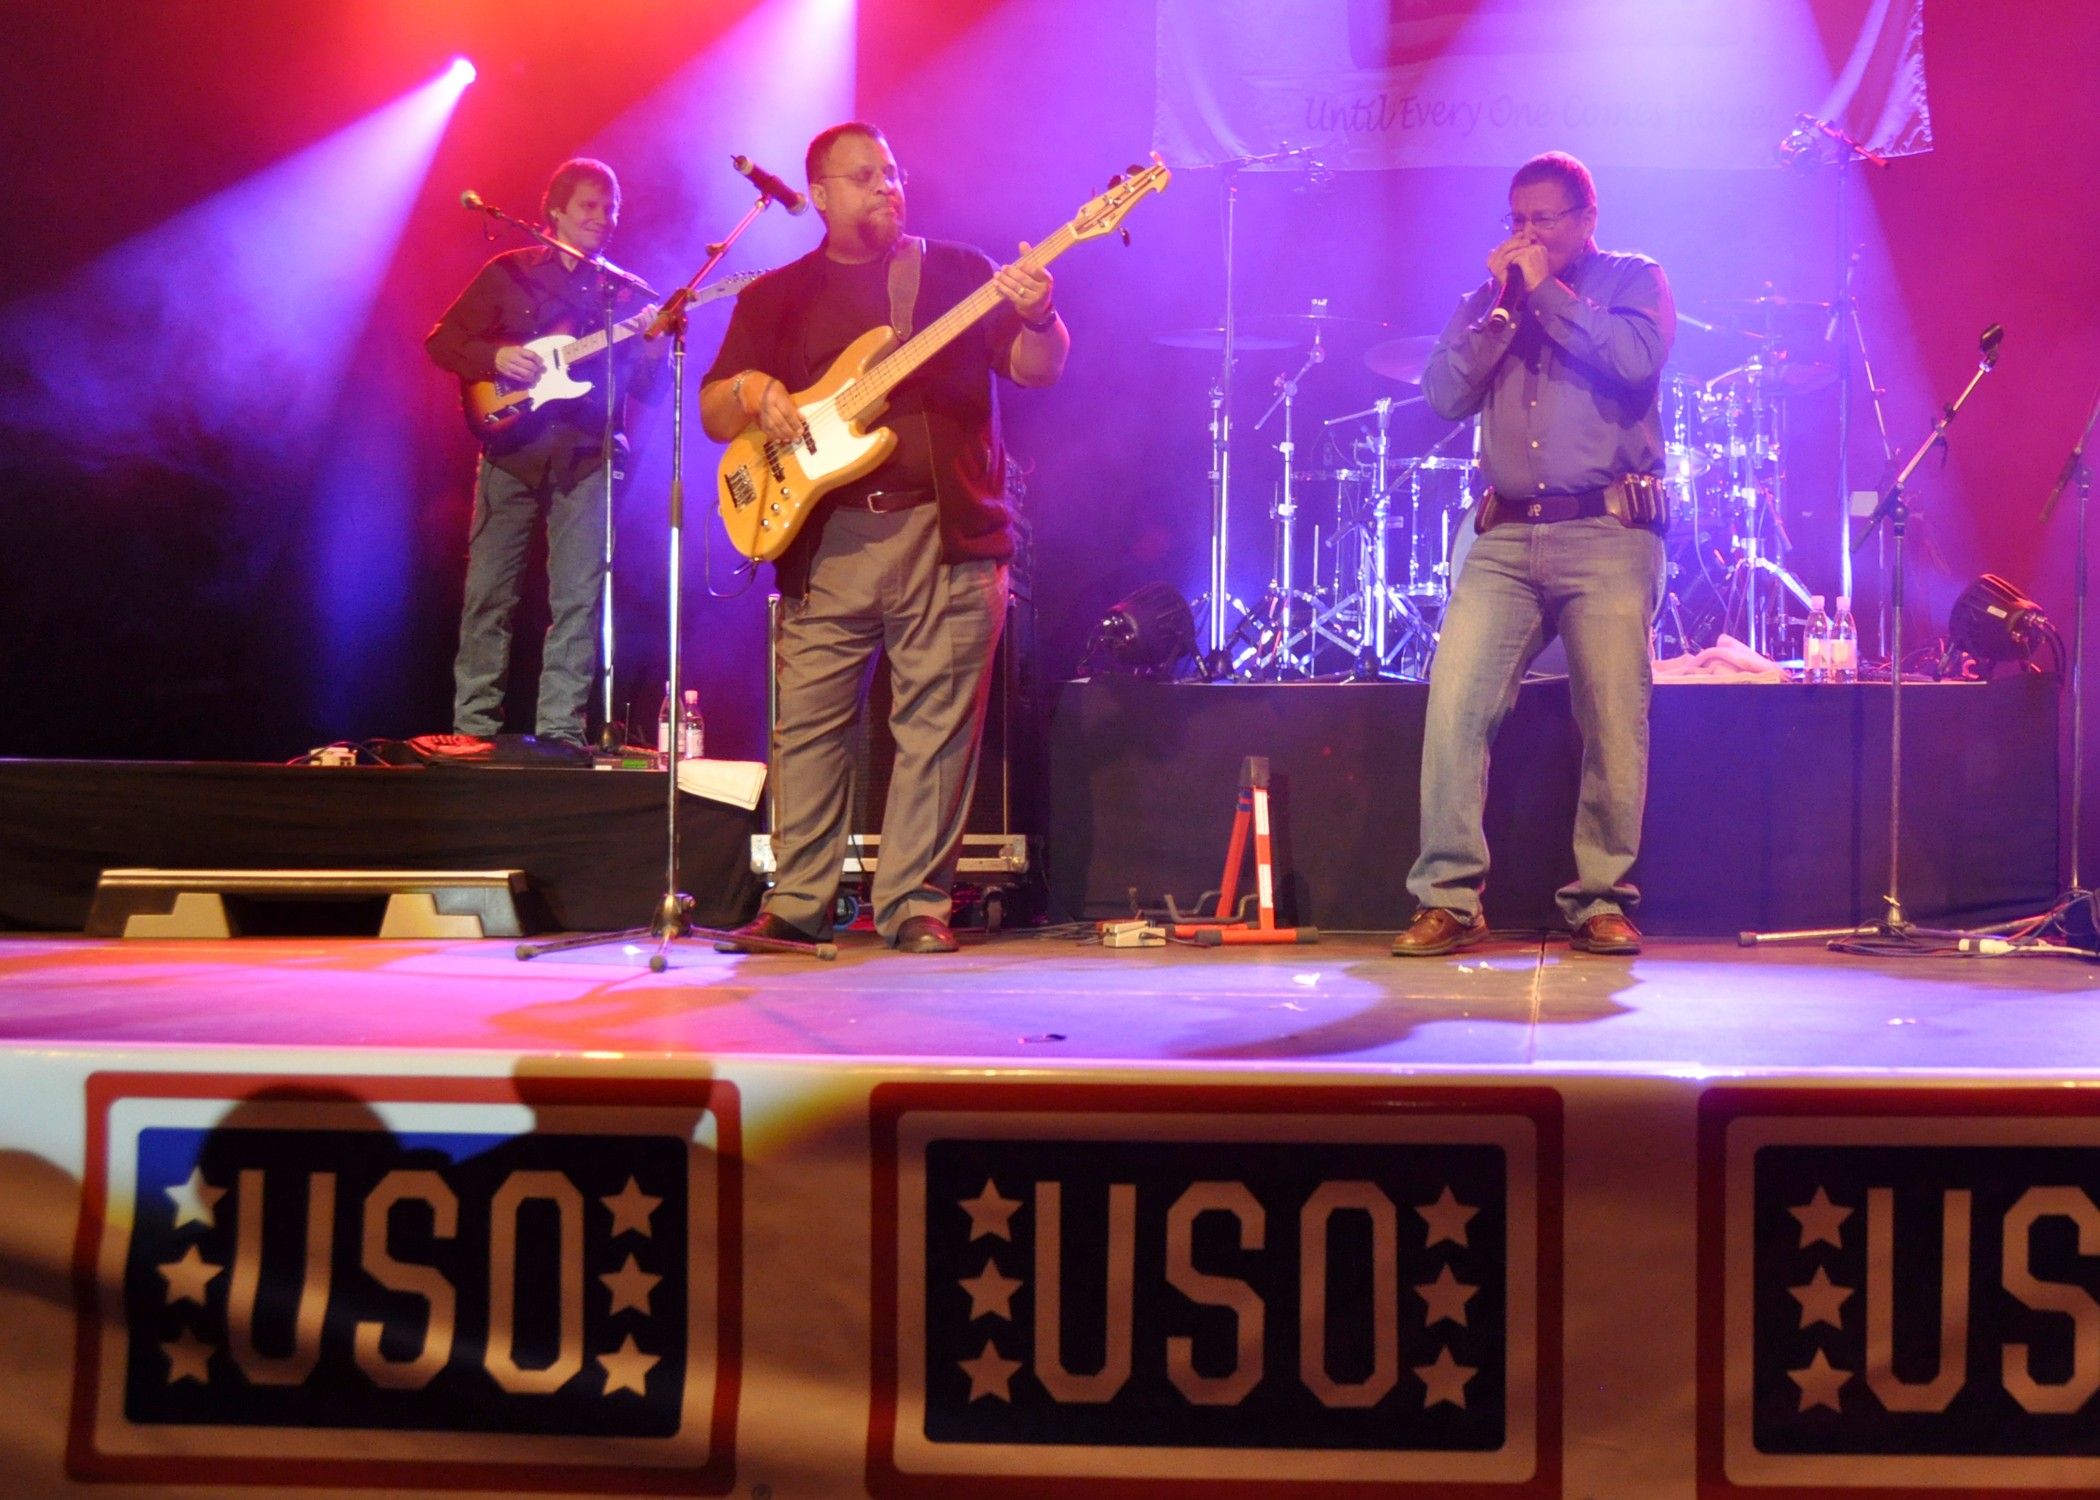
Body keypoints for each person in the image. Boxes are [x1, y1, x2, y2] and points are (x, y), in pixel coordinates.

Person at [700, 122, 1067, 953]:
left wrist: (1041, 315)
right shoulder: (776, 295)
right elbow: (716, 408)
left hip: (945, 534)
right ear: (820, 196)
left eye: (892, 171)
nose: (885, 187)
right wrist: (757, 389)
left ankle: (914, 907)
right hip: (827, 538)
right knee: (808, 728)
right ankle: (796, 904)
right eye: (863, 177)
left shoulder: (958, 273)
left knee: (936, 732)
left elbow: (1038, 368)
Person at [1392, 151, 1674, 958]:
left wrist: (1547, 293)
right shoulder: (1489, 301)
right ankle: (1447, 897)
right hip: (1504, 536)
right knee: (1455, 708)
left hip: (1607, 532)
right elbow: (1443, 398)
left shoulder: (1632, 279)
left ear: (1586, 219)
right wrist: (1503, 316)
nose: (1526, 232)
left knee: (1614, 720)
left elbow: (1634, 360)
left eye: (1543, 218)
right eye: (1516, 219)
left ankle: (1599, 900)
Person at [422, 157, 666, 757]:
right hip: (511, 448)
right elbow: (442, 341)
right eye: (588, 206)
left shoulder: (626, 293)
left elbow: (647, 391)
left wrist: (655, 346)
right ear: (554, 210)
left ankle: (560, 730)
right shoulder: (510, 272)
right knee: (490, 593)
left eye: (610, 209)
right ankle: (474, 728)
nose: (602, 219)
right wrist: (496, 359)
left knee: (579, 598)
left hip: (588, 453)